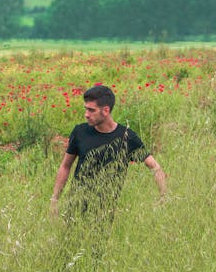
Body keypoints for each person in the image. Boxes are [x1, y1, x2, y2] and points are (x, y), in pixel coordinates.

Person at [50, 84, 166, 222]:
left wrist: (164, 196)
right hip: (76, 209)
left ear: (105, 110)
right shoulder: (80, 132)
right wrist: (55, 199)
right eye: (86, 109)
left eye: (91, 110)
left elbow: (155, 167)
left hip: (107, 213)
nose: (86, 114)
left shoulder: (126, 137)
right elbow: (65, 166)